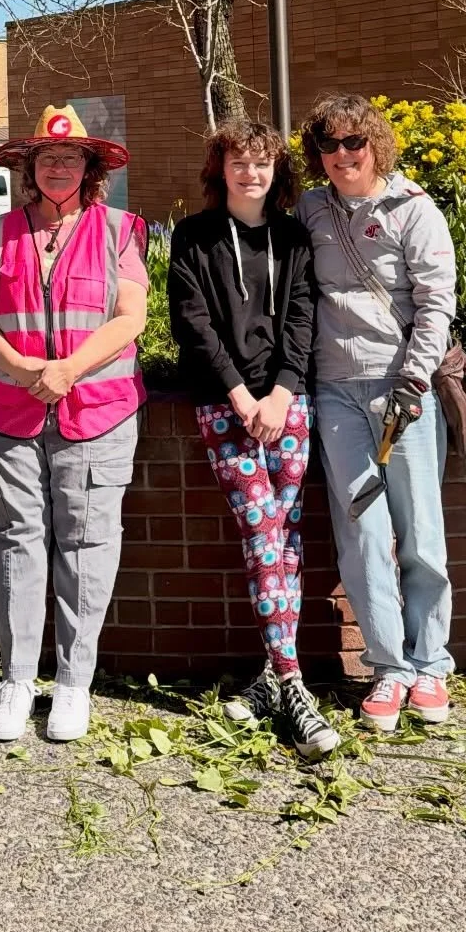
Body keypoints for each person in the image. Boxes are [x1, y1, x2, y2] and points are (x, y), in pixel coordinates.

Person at [0, 104, 148, 745]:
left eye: (71, 158)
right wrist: (18, 364)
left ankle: (73, 684)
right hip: (8, 410)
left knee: (87, 544)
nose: (59, 167)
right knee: (18, 540)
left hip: (96, 410)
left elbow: (130, 317)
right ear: (30, 168)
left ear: (90, 168)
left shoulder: (121, 229)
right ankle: (17, 679)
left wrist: (67, 369)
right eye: (48, 158)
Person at [167, 120, 339, 760]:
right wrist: (241, 395)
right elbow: (192, 322)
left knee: (286, 537)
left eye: (262, 164)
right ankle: (294, 682)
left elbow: (302, 318)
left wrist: (282, 393)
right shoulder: (192, 236)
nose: (251, 174)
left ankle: (270, 679)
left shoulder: (294, 237)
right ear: (222, 169)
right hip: (224, 406)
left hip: (289, 405)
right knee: (262, 529)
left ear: (277, 172)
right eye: (239, 162)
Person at [298, 95, 457, 732]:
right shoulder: (310, 208)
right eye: (329, 146)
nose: (342, 156)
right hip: (335, 391)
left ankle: (431, 662)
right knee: (362, 532)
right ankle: (388, 666)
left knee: (420, 532)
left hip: (402, 392)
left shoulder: (413, 210)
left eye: (353, 144)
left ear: (375, 145)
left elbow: (435, 302)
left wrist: (415, 378)